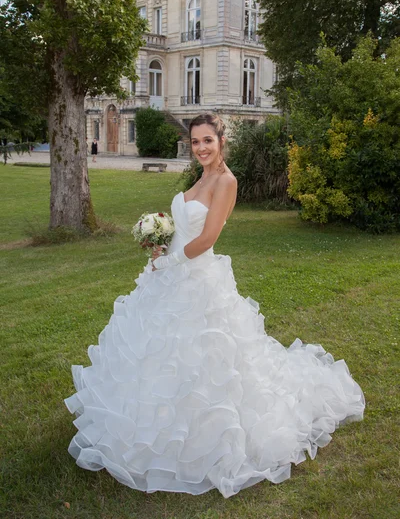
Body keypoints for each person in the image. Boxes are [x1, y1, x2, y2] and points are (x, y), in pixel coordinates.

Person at [64, 113, 365, 499]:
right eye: (195, 142)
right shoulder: (201, 177)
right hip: (168, 275)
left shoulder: (226, 181)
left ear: (221, 141)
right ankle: (150, 423)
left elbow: (207, 238)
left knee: (204, 362)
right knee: (155, 353)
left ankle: (203, 438)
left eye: (208, 140)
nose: (201, 148)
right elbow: (185, 228)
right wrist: (161, 241)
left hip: (197, 278)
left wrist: (169, 261)